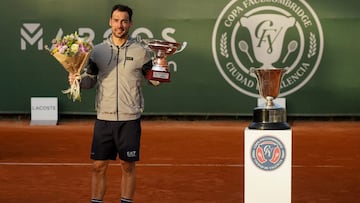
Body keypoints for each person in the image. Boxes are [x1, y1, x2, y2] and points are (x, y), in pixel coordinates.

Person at [68, 4, 159, 203]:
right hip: (104, 119)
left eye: (124, 21)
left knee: (128, 166)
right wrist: (77, 80)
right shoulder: (97, 52)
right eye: (116, 20)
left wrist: (163, 62)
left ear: (131, 24)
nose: (120, 25)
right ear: (110, 22)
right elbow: (90, 80)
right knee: (98, 166)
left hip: (129, 119)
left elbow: (154, 80)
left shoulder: (141, 52)